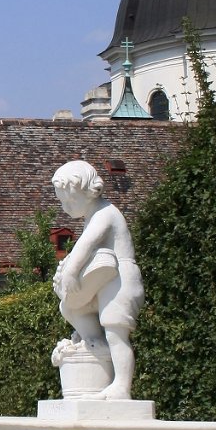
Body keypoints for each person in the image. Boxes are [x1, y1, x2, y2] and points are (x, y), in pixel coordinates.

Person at [51, 160, 144, 400]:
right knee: (70, 307)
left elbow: (86, 244)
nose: (65, 208)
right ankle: (95, 343)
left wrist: (70, 272)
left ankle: (121, 386)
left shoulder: (105, 213)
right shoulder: (92, 215)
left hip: (121, 277)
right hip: (107, 278)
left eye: (69, 201)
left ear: (89, 192)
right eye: (62, 202)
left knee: (116, 332)